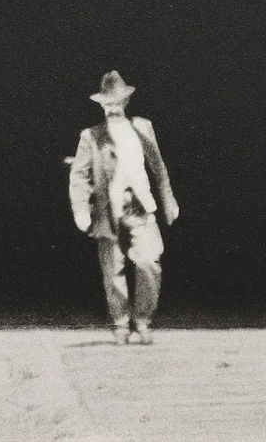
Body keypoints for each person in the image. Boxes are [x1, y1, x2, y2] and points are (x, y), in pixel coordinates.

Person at [68, 70, 181, 344]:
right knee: (113, 270)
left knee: (149, 263)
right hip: (109, 211)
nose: (112, 108)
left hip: (140, 206)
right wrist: (81, 209)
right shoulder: (91, 136)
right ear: (101, 105)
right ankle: (120, 323)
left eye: (117, 102)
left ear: (126, 103)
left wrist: (168, 198)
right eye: (107, 103)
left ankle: (142, 320)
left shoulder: (143, 127)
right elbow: (79, 176)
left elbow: (158, 166)